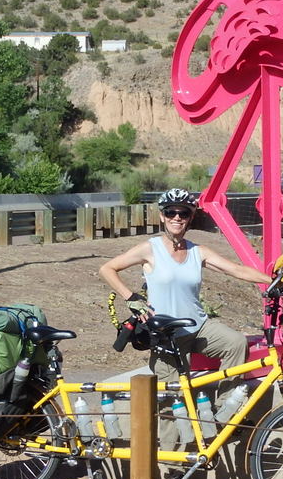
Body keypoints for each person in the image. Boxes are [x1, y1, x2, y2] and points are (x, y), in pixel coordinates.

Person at [98, 188, 272, 448]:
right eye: (171, 212)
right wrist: (130, 297)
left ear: (191, 217)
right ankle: (174, 469)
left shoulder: (197, 251)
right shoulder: (150, 248)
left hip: (199, 326)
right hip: (167, 335)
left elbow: (235, 269)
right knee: (170, 404)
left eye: (183, 213)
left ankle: (223, 415)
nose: (177, 217)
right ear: (162, 216)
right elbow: (107, 268)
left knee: (236, 342)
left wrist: (273, 280)